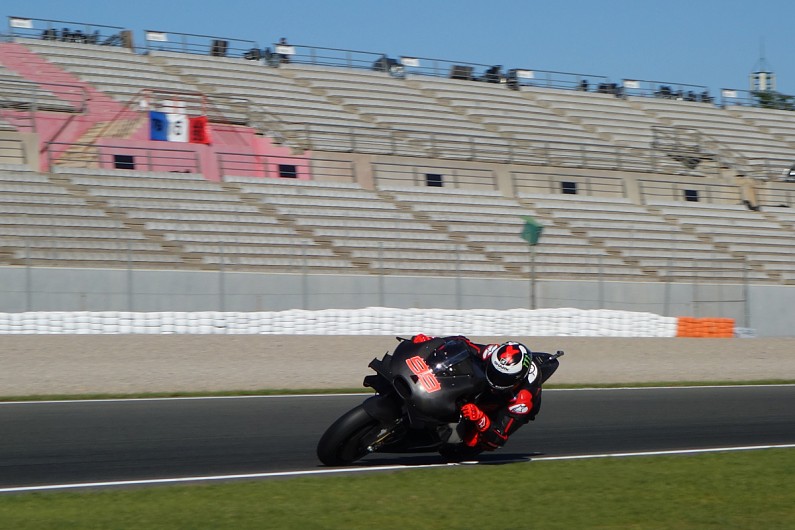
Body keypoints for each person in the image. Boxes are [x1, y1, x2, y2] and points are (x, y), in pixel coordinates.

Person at [409, 334, 544, 452]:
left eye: (501, 377)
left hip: (507, 403)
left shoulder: (523, 399)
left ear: (517, 380)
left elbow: (500, 437)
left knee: (478, 442)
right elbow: (462, 343)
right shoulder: (492, 353)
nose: (495, 379)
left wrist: (480, 418)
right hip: (488, 385)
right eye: (493, 371)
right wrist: (432, 342)